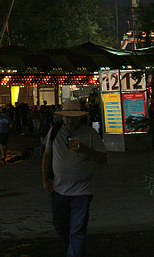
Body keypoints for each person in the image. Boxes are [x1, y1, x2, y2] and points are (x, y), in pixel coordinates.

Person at [42, 99, 107, 257]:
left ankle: (74, 252)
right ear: (62, 117)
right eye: (67, 117)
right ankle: (74, 248)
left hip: (82, 190)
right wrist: (45, 179)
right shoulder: (54, 132)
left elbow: (103, 159)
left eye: (74, 117)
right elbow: (47, 155)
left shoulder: (90, 134)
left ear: (80, 117)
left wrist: (86, 150)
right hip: (59, 189)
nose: (70, 120)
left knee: (77, 229)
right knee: (60, 225)